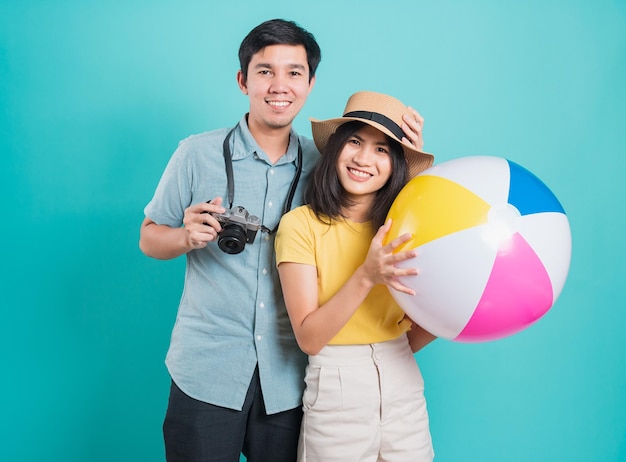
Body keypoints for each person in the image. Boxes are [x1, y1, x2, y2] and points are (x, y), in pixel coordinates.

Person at [139, 18, 426, 462]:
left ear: (310, 83)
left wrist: (407, 152)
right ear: (243, 80)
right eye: (265, 71)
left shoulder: (331, 164)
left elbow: (389, 202)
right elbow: (148, 238)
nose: (279, 85)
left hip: (291, 376)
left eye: (294, 72)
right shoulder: (196, 152)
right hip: (207, 368)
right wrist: (184, 236)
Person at [275, 91, 437, 461]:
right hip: (336, 387)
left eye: (383, 150)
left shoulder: (405, 229)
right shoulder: (300, 226)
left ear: (396, 163)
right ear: (335, 148)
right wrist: (367, 275)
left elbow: (421, 328)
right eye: (355, 141)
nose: (364, 159)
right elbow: (310, 338)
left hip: (404, 384)